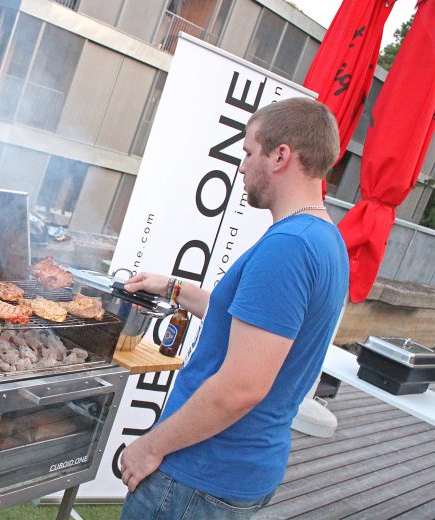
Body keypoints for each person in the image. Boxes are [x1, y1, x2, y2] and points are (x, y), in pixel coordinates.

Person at [119, 97, 349, 519]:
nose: (241, 166)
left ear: (280, 155)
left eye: (248, 152)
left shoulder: (288, 248)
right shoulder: (324, 239)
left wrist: (150, 447)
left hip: (198, 475)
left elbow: (241, 387)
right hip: (241, 470)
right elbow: (244, 322)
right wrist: (170, 287)